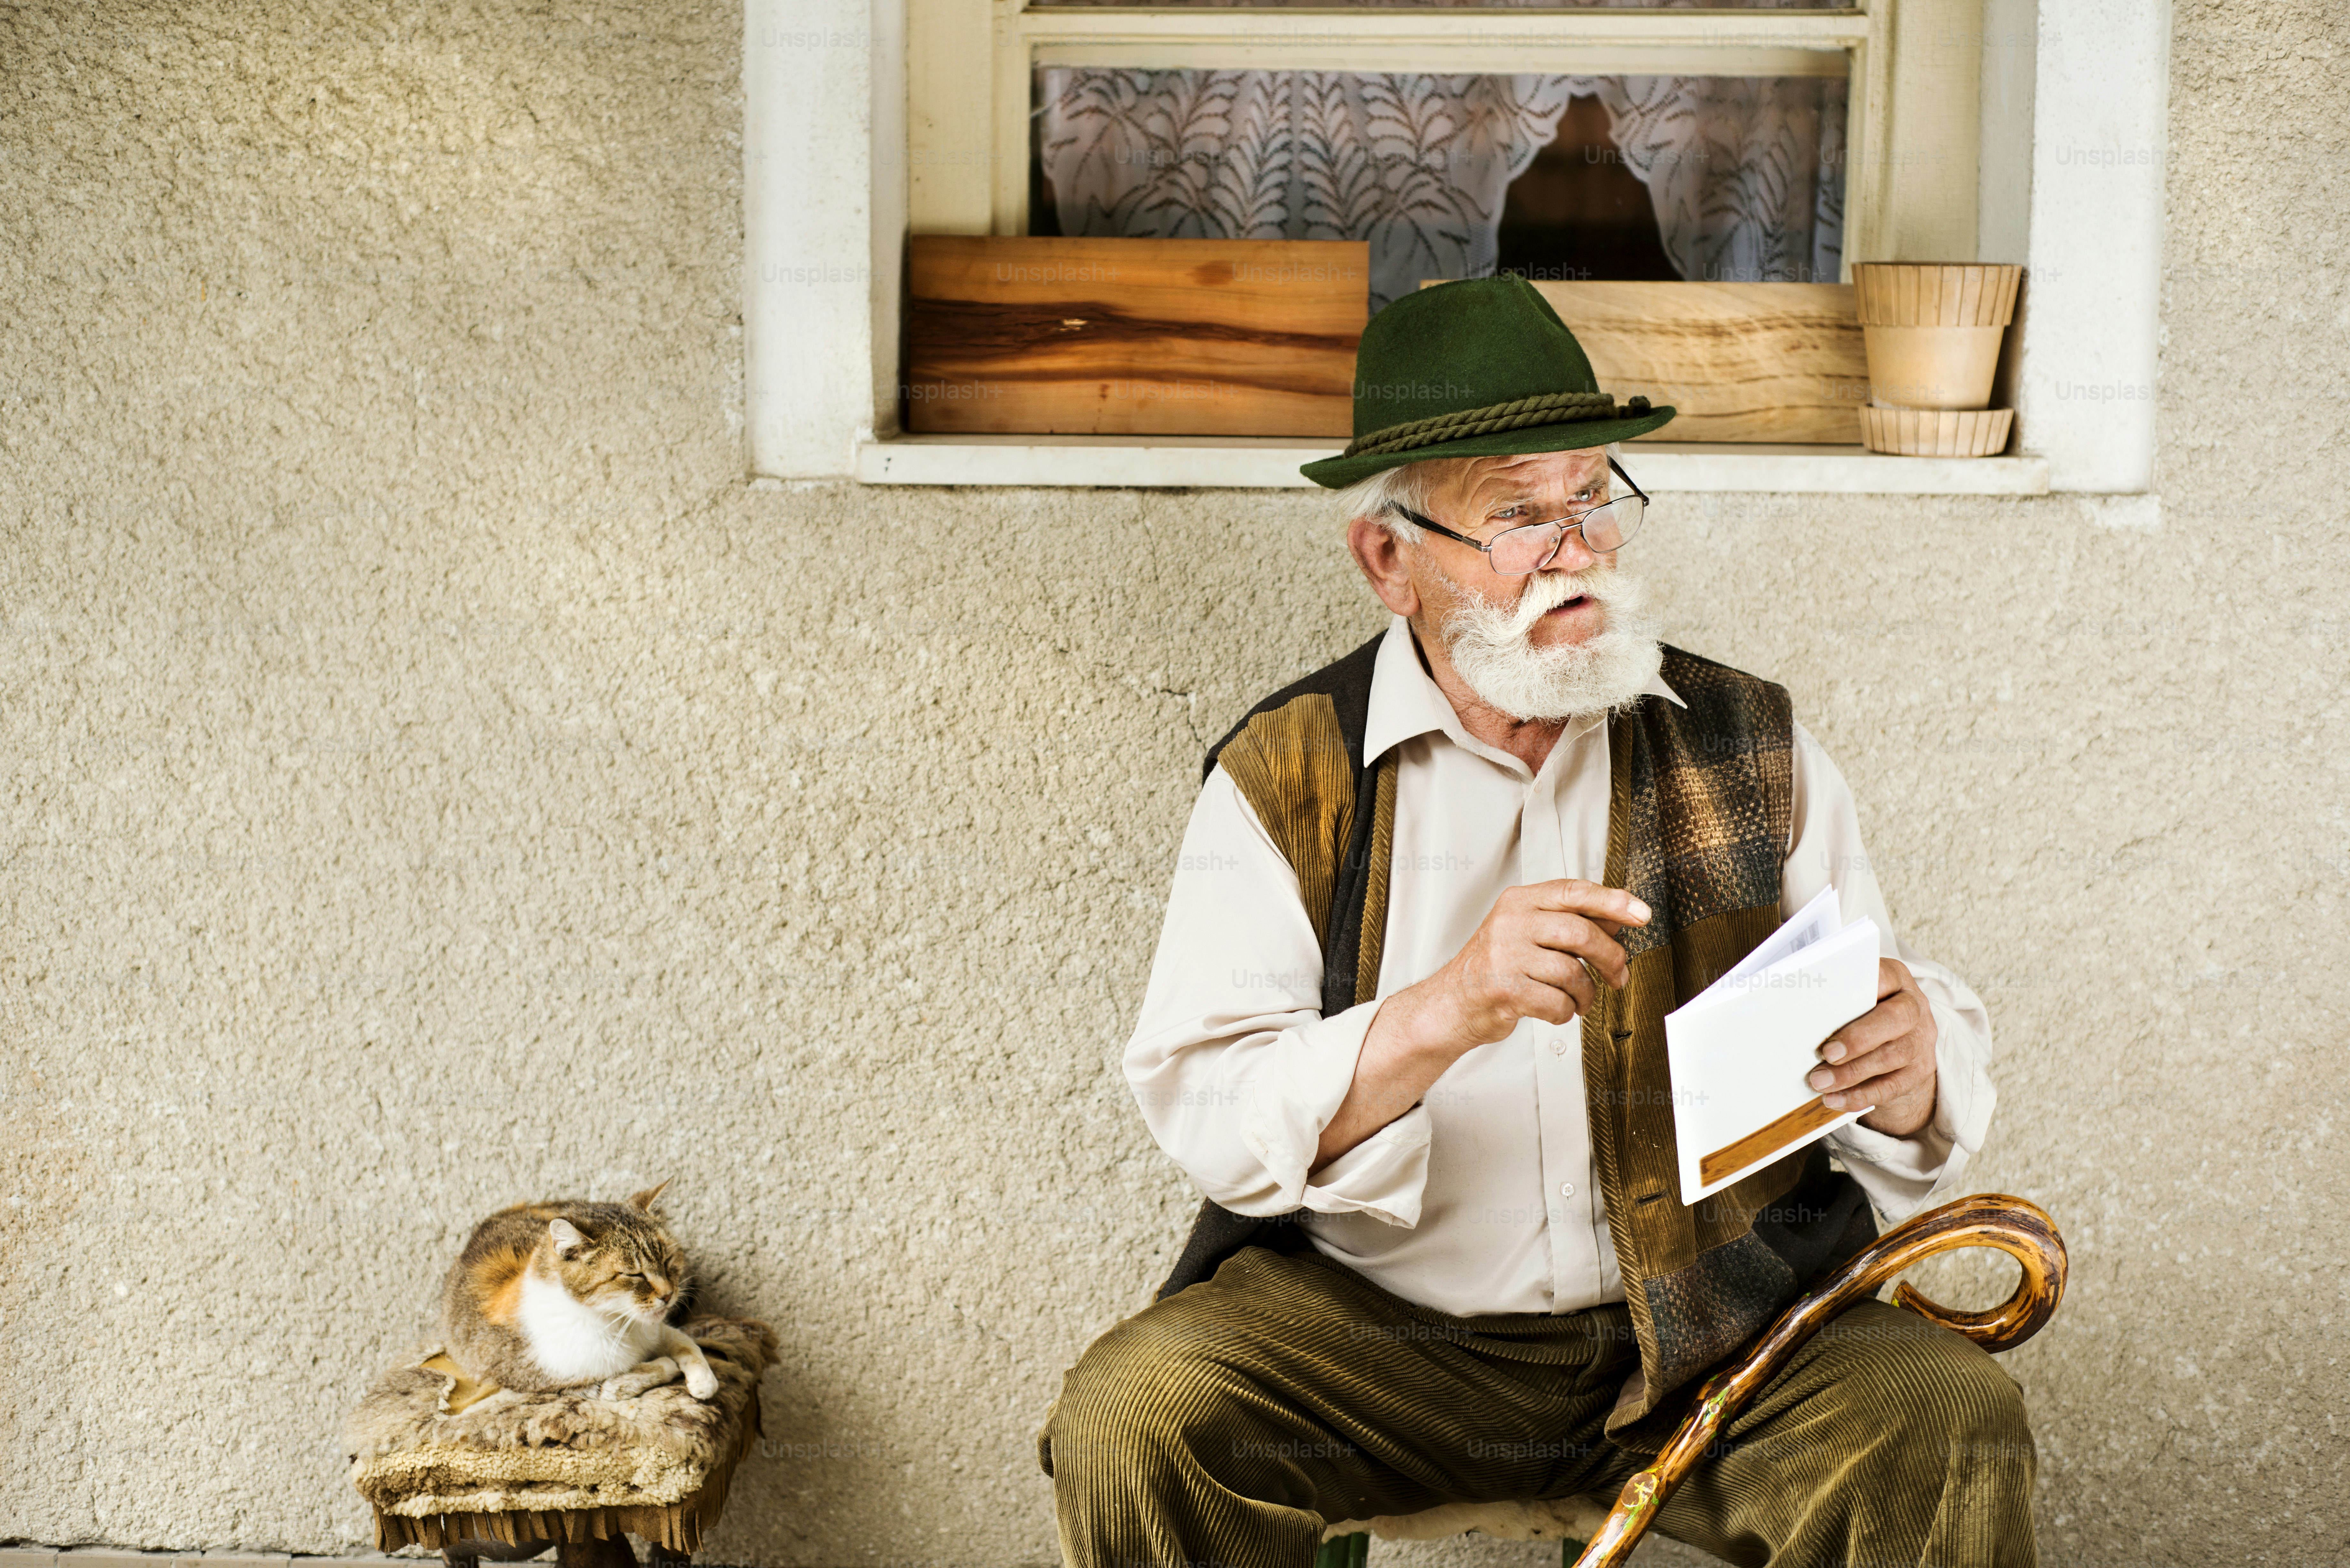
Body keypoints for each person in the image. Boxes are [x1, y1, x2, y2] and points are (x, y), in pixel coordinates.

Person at [1039, 275, 2031, 1568]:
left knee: (1941, 1414)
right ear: (1387, 558)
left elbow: (1871, 1019)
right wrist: (1443, 1011)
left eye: (1592, 496)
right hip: (1384, 1346)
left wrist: (1908, 1070)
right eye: (1516, 514)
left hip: (1725, 1337)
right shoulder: (1286, 775)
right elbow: (1215, 1107)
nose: (1577, 549)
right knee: (1141, 1411)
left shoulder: (1748, 740)